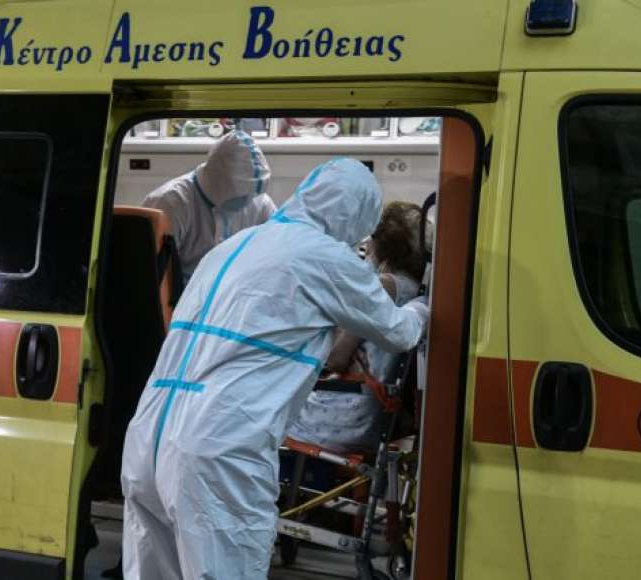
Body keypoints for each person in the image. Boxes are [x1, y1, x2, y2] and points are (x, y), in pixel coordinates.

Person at [121, 158, 429, 580]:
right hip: (218, 448)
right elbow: (399, 332)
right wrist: (425, 304)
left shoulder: (234, 246)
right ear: (355, 215)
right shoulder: (325, 258)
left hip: (147, 440)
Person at [287, 201, 426, 453]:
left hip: (341, 419)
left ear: (382, 245)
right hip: (375, 418)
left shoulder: (382, 287)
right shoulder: (418, 292)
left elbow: (336, 359)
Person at [141, 129, 276, 282]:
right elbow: (150, 276)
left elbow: (276, 253)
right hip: (183, 293)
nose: (247, 202)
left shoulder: (260, 204)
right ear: (218, 181)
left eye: (252, 195)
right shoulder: (170, 204)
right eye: (241, 194)